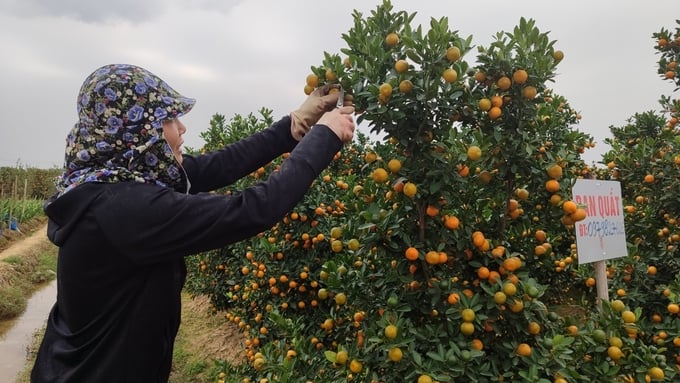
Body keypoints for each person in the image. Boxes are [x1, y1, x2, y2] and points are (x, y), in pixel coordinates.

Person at [31, 63, 355, 382]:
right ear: (137, 131)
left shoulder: (112, 183)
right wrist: (325, 136)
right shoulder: (124, 209)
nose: (181, 128)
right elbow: (254, 209)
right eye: (168, 119)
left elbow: (221, 165)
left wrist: (296, 123)